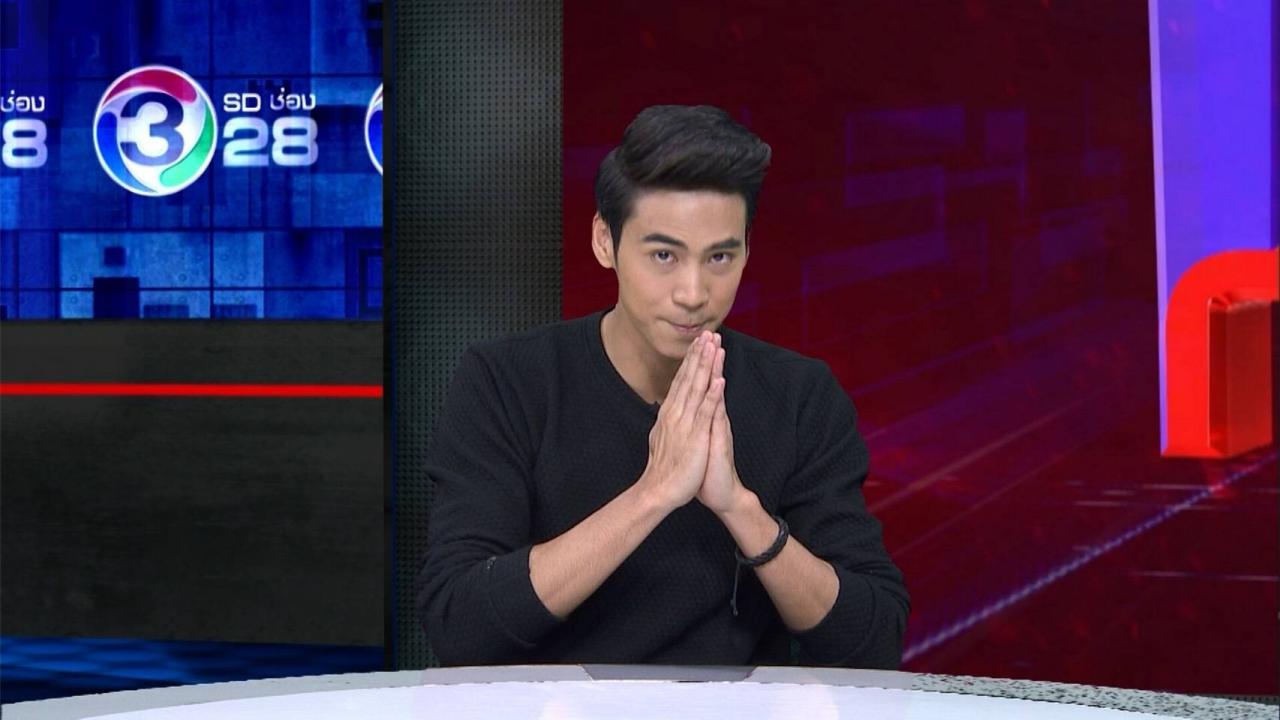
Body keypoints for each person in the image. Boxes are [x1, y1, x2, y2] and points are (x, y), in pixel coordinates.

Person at [417, 105, 908, 668]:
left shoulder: (799, 395)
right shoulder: (506, 382)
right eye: (664, 255)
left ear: (747, 250)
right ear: (605, 241)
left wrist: (739, 508)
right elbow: (458, 625)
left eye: (719, 256)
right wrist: (652, 495)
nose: (693, 293)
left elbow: (874, 640)